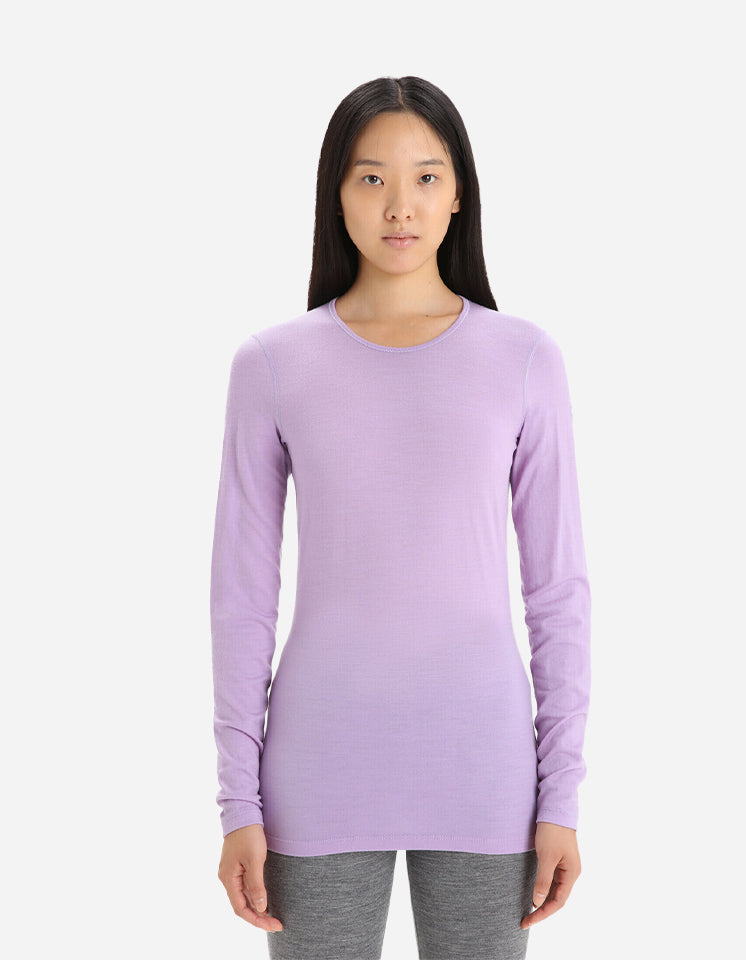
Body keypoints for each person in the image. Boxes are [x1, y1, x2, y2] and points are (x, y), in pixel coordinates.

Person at [210, 75, 591, 960]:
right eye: (371, 177)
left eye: (426, 177)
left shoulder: (524, 359)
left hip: (486, 766)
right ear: (336, 193)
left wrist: (561, 794)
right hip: (316, 766)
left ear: (459, 194)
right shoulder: (271, 365)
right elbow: (240, 599)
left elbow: (559, 592)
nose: (399, 206)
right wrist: (237, 802)